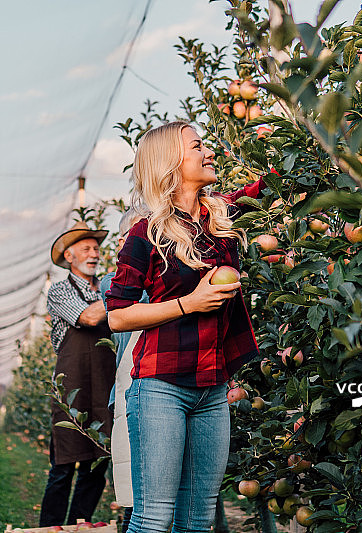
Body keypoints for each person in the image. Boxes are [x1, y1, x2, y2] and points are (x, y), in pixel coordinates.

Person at [105, 121, 265, 533]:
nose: (209, 152)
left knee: (196, 520)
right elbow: (118, 314)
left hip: (211, 389)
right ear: (172, 162)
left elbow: (257, 190)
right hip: (161, 387)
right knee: (154, 518)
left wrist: (279, 148)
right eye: (198, 147)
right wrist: (188, 303)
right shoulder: (147, 233)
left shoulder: (216, 219)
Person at [39, 221, 116, 527]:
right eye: (86, 248)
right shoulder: (59, 291)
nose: (94, 254)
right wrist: (123, 293)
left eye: (97, 248)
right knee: (63, 465)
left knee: (97, 461)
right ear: (69, 256)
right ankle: (51, 526)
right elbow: (88, 316)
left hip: (105, 383)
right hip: (73, 388)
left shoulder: (108, 287)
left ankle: (79, 524)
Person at [99, 209, 147, 533]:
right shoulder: (112, 281)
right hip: (132, 387)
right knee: (138, 492)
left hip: (170, 382)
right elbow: (145, 304)